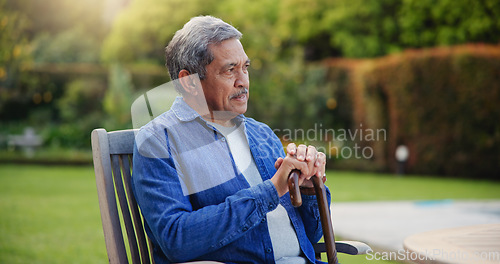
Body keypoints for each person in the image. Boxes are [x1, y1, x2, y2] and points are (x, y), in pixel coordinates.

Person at [132, 16, 330, 264]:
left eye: (245, 68)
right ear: (188, 82)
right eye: (229, 70)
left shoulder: (261, 133)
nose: (243, 80)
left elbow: (311, 236)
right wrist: (272, 189)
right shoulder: (158, 141)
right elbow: (177, 239)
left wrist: (309, 189)